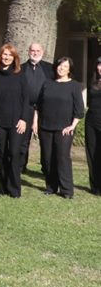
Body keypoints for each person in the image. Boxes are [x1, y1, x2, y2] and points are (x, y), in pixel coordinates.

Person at [32, 56, 84, 199]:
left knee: (62, 158)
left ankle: (66, 190)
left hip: (65, 129)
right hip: (45, 127)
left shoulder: (74, 86)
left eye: (65, 66)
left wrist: (72, 126)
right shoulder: (47, 83)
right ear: (56, 67)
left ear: (69, 69)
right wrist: (35, 122)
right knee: (47, 159)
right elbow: (38, 105)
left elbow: (79, 110)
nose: (62, 68)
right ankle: (51, 187)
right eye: (60, 65)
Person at [0, 44, 30, 198]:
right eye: (4, 54)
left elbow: (26, 100)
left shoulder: (21, 76)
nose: (7, 57)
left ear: (14, 58)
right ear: (0, 56)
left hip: (17, 122)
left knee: (14, 154)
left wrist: (24, 119)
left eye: (10, 55)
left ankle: (15, 189)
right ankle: (2, 188)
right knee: (2, 154)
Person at [21, 42, 54, 173]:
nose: (35, 53)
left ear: (42, 52)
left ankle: (47, 168)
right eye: (32, 50)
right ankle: (20, 167)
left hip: (45, 110)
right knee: (23, 140)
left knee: (46, 141)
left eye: (37, 51)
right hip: (26, 109)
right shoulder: (21, 68)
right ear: (28, 51)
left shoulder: (50, 68)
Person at [86, 57, 101, 195]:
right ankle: (95, 186)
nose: (100, 68)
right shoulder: (93, 81)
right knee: (91, 153)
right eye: (99, 65)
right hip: (91, 121)